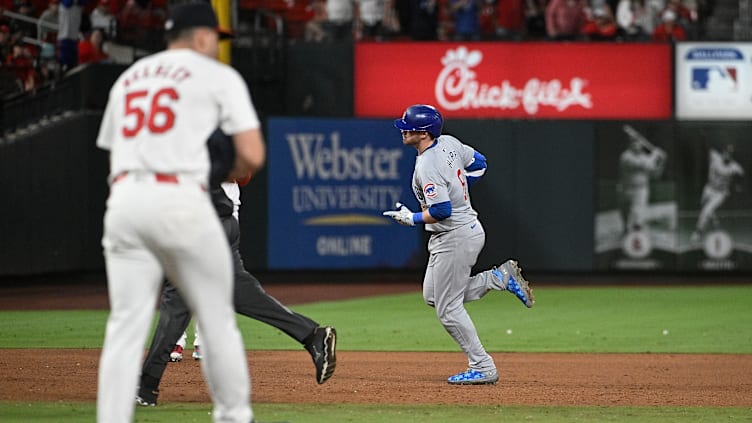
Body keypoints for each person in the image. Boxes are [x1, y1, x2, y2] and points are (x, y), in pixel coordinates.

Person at [94, 2, 266, 422]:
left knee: (125, 323)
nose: (215, 46)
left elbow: (115, 148)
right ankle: (232, 415)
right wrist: (224, 164)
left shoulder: (129, 79)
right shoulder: (217, 76)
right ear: (202, 36)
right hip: (181, 200)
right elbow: (251, 155)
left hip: (124, 201)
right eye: (215, 38)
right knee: (217, 317)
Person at [136, 165, 337, 407]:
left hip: (203, 223)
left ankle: (146, 386)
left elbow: (243, 173)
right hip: (216, 221)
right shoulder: (195, 136)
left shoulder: (191, 137)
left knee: (178, 300)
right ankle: (312, 335)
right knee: (239, 293)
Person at [383, 104, 534, 385]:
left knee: (447, 308)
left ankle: (483, 366)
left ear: (424, 132)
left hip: (455, 235)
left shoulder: (428, 164)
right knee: (432, 295)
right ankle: (498, 278)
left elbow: (441, 210)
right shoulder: (450, 142)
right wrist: (459, 188)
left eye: (409, 127)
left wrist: (411, 218)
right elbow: (480, 163)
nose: (403, 130)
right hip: (461, 232)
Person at [690, 145, 745, 243]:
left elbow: (742, 174)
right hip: (708, 188)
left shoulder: (735, 167)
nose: (727, 155)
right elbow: (705, 147)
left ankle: (697, 233)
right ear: (723, 152)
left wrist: (738, 185)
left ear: (732, 156)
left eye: (730, 154)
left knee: (706, 211)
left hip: (720, 193)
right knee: (704, 207)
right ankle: (714, 220)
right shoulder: (714, 156)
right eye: (726, 153)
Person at [617, 124, 666, 234]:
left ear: (641, 144)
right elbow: (646, 165)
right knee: (625, 217)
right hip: (625, 189)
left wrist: (662, 162)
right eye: (633, 143)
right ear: (629, 145)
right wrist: (655, 155)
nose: (636, 145)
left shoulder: (644, 156)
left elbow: (655, 175)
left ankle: (636, 232)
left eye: (638, 142)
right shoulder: (625, 157)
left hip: (641, 190)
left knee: (637, 217)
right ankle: (626, 230)